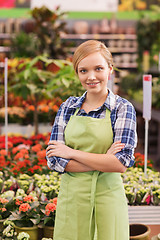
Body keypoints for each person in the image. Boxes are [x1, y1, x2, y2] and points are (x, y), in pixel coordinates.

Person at [46, 40, 137, 240]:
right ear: (77, 73)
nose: (91, 76)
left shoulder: (122, 109)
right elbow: (54, 160)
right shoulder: (68, 107)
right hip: (73, 201)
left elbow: (120, 163)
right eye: (83, 70)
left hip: (108, 200)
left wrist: (70, 153)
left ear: (110, 70)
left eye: (98, 68)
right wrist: (104, 160)